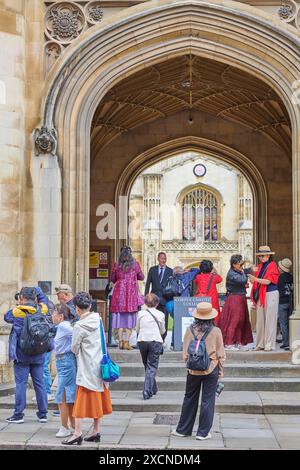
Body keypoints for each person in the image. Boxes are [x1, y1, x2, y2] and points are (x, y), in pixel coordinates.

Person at [62, 292, 112, 445]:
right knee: (98, 396)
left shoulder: (79, 325)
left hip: (86, 365)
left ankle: (77, 433)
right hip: (99, 364)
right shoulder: (98, 319)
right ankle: (96, 430)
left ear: (77, 309)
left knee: (81, 399)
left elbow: (74, 347)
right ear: (90, 306)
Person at [171, 302, 225, 440]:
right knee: (208, 400)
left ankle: (183, 430)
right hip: (211, 368)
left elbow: (185, 352)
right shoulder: (216, 331)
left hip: (193, 370)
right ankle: (203, 433)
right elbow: (221, 353)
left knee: (189, 398)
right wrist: (221, 370)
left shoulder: (189, 330)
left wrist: (190, 363)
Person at [4, 287, 48, 424]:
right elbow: (44, 300)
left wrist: (19, 303)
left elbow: (7, 317)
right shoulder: (42, 309)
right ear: (35, 298)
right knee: (40, 384)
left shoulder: (17, 312)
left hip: (21, 354)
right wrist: (37, 291)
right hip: (39, 353)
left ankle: (18, 414)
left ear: (21, 298)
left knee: (21, 384)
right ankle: (43, 414)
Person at [110, 246, 145, 350]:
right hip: (130, 294)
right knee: (129, 320)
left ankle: (120, 342)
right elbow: (142, 277)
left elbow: (112, 278)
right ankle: (126, 342)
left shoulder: (116, 264)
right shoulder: (135, 264)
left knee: (120, 320)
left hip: (119, 294)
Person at [52, 304, 77, 438]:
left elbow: (76, 333)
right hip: (65, 362)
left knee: (62, 396)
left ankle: (64, 427)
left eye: (53, 313)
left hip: (66, 362)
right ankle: (72, 426)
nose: (52, 315)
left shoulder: (63, 326)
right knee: (68, 396)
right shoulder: (62, 326)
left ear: (60, 316)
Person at [219, 255, 253, 350]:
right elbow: (242, 280)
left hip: (240, 297)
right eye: (240, 264)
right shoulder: (232, 273)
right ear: (234, 264)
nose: (242, 265)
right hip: (235, 298)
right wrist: (246, 272)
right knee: (234, 320)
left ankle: (238, 341)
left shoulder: (237, 271)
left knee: (241, 321)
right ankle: (229, 342)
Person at [249, 245, 280, 351]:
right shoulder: (260, 266)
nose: (261, 257)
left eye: (263, 255)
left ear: (268, 255)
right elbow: (257, 281)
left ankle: (269, 344)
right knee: (260, 321)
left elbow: (267, 281)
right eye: (259, 256)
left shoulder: (272, 266)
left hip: (271, 293)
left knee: (270, 320)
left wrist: (255, 279)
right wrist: (252, 279)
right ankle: (260, 344)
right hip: (262, 295)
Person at [136, 293, 166, 400]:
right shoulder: (161, 315)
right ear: (157, 303)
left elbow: (137, 328)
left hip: (142, 340)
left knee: (146, 364)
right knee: (152, 366)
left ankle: (153, 388)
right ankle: (147, 390)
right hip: (155, 340)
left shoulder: (140, 314)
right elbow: (163, 330)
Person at [164, 266, 200, 348]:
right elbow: (197, 270)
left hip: (171, 303)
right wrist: (189, 269)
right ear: (182, 271)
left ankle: (173, 343)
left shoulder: (170, 278)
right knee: (185, 323)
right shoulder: (186, 276)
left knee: (176, 323)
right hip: (183, 302)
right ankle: (184, 342)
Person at [144, 252, 173, 340]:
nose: (163, 260)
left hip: (165, 299)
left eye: (164, 258)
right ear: (158, 259)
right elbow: (148, 283)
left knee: (165, 319)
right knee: (153, 319)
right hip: (153, 299)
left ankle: (163, 338)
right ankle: (154, 337)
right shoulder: (152, 270)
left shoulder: (170, 271)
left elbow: (172, 285)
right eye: (161, 258)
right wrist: (146, 297)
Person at [194, 260, 222, 325]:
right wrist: (214, 271)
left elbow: (195, 282)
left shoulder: (198, 277)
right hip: (212, 300)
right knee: (214, 317)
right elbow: (220, 279)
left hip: (201, 300)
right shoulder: (214, 277)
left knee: (201, 317)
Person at [277, 258, 293, 350]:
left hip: (282, 302)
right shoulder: (291, 276)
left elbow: (279, 290)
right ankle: (291, 340)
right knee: (290, 322)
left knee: (283, 323)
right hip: (290, 302)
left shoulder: (280, 277)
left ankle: (286, 342)